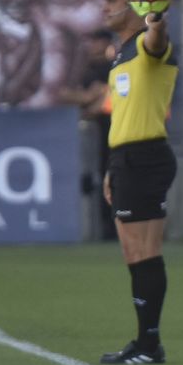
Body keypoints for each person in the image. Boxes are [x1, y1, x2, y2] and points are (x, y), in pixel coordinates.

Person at [98, 0, 178, 365]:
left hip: (146, 157)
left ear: (133, 5)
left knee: (146, 251)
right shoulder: (121, 54)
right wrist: (113, 166)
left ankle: (150, 344)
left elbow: (157, 42)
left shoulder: (146, 45)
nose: (104, 5)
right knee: (133, 254)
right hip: (126, 159)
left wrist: (157, 18)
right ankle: (145, 341)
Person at [60, 28, 118, 241]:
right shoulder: (82, 68)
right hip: (85, 135)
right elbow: (63, 94)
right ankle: (97, 230)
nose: (93, 46)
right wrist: (87, 97)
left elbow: (106, 99)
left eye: (97, 41)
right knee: (90, 180)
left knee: (111, 179)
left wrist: (89, 100)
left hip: (111, 133)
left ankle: (111, 230)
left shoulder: (115, 67)